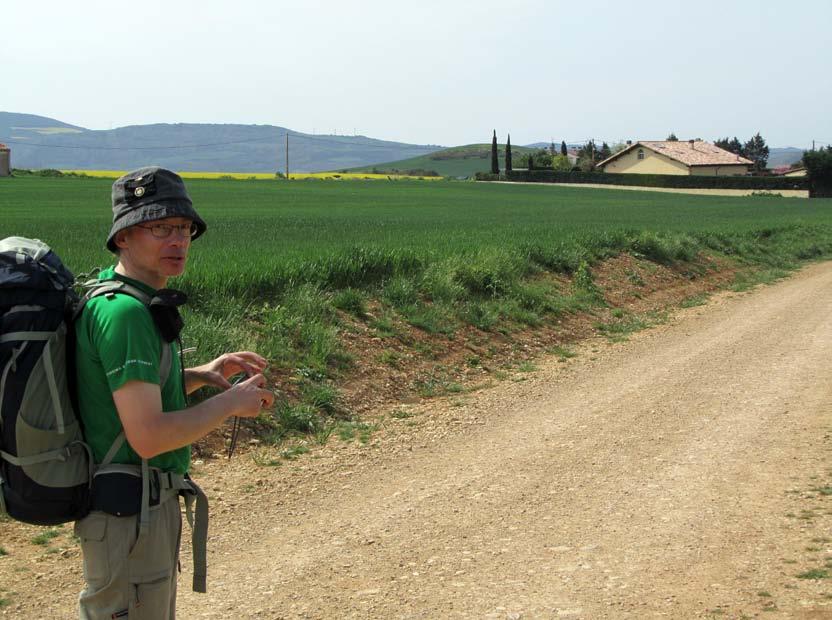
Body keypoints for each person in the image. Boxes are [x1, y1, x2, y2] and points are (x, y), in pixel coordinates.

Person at [73, 166, 275, 619]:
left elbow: (124, 399)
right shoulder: (125, 313)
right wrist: (230, 403)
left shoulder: (127, 299)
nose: (178, 240)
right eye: (160, 228)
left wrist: (202, 374)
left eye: (184, 228)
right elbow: (147, 435)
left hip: (137, 511)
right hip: (128, 517)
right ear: (123, 236)